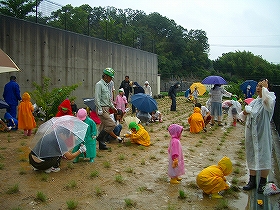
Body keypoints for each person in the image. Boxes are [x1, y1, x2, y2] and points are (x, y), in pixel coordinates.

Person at [241, 79, 276, 194]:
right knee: (251, 154)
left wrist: (265, 89)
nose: (258, 88)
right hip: (251, 133)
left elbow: (268, 103)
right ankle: (252, 181)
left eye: (261, 86)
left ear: (266, 88)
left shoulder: (270, 99)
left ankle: (262, 182)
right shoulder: (254, 102)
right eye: (257, 86)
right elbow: (243, 115)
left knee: (264, 155)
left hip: (262, 133)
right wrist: (245, 112)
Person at [95, 68, 122, 150]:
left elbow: (108, 99)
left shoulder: (106, 85)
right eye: (110, 77)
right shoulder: (99, 84)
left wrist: (112, 107)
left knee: (104, 127)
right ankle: (99, 138)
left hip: (106, 107)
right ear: (105, 76)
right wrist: (99, 108)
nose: (111, 79)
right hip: (102, 108)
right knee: (111, 124)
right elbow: (97, 98)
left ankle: (101, 145)